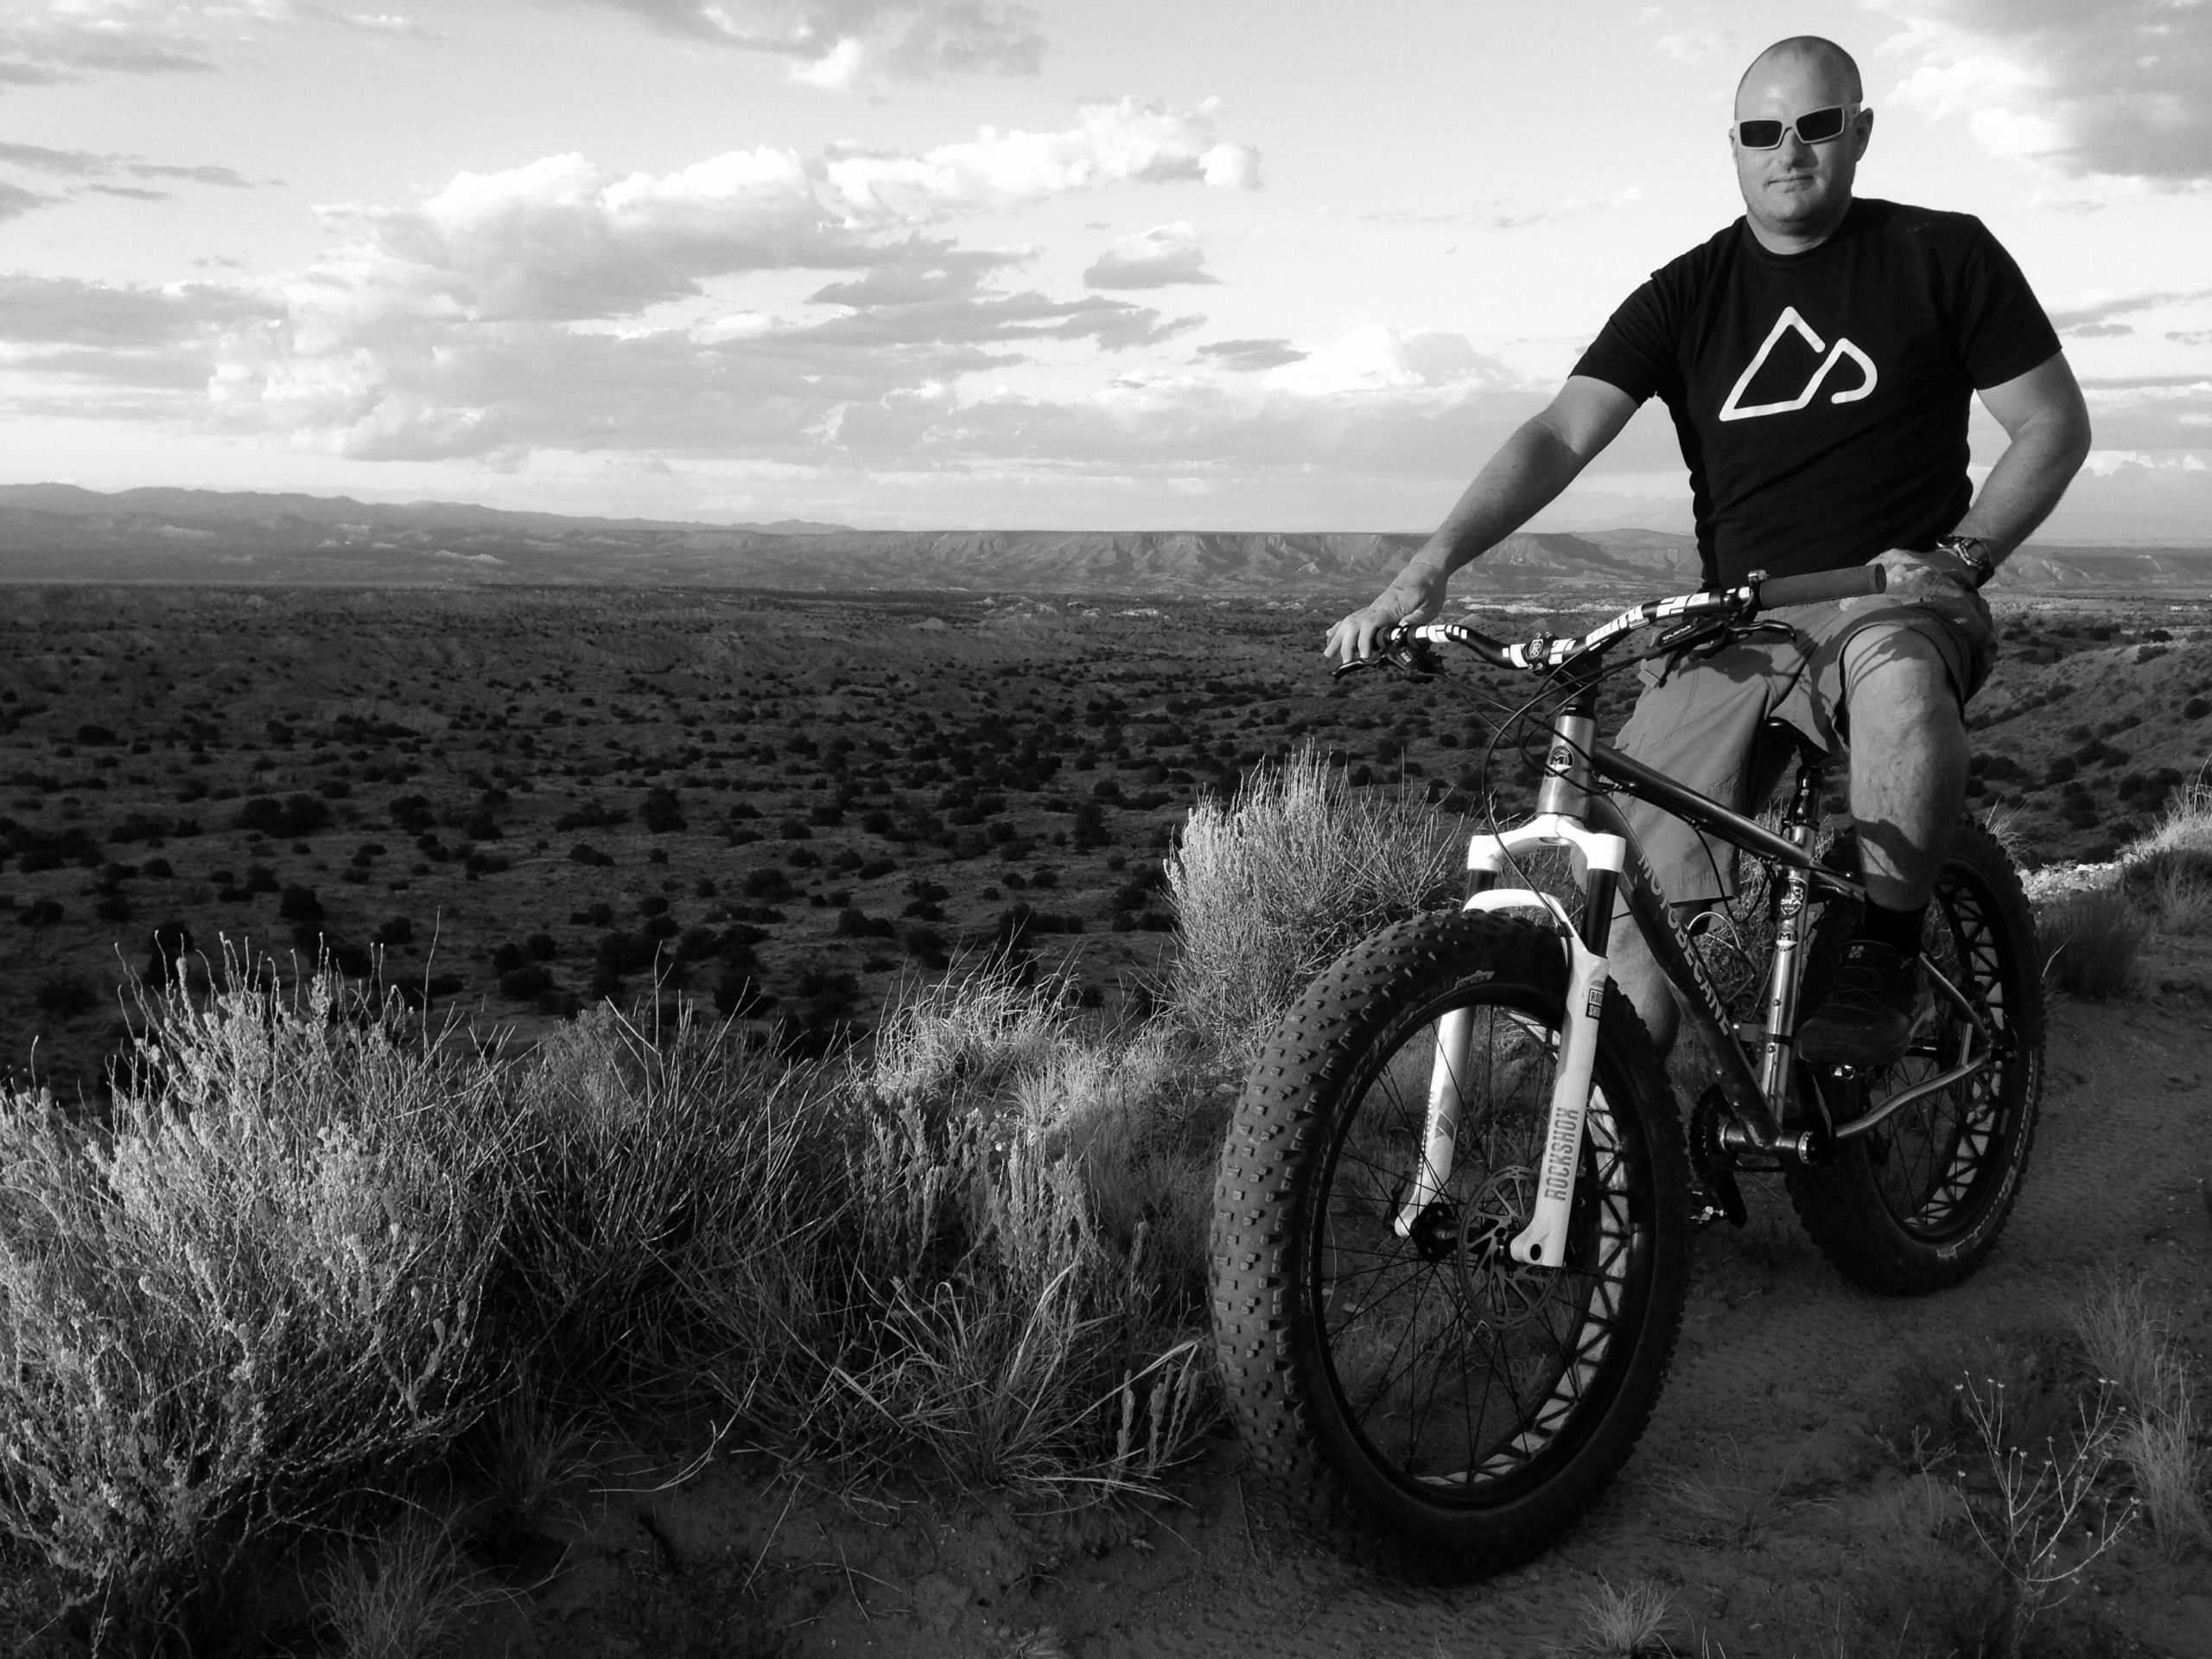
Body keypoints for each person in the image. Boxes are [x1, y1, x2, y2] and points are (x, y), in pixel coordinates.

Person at [1325, 35, 2090, 1068]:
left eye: (1816, 126)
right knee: (1627, 893)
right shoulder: (1686, 292)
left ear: (1860, 132)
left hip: (1889, 591)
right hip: (1738, 618)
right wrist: (1430, 566)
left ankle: (1885, 956)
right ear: (1731, 144)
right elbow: (1558, 433)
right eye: (1763, 131)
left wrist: (1960, 556)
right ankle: (1616, 1132)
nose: (1789, 151)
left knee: (1899, 678)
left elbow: (2050, 424)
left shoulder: (1939, 253)